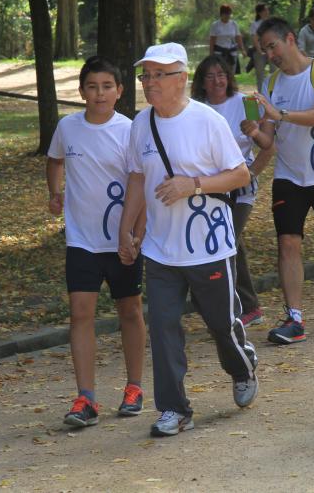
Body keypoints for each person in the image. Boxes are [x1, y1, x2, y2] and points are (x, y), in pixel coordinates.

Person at [118, 42, 258, 437]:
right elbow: (137, 178)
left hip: (209, 247)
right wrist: (126, 229)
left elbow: (240, 175)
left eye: (158, 75)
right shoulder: (140, 124)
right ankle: (175, 410)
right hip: (161, 250)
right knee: (162, 328)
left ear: (181, 78)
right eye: (145, 75)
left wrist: (192, 185)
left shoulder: (207, 121)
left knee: (221, 325)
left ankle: (242, 367)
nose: (149, 83)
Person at [46, 56, 147, 428]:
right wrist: (55, 193)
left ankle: (134, 387)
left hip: (122, 242)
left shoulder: (132, 130)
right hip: (82, 241)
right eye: (92, 86)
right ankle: (85, 397)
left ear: (120, 91)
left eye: (107, 86)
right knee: (80, 314)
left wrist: (136, 235)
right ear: (81, 91)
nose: (99, 93)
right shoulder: (68, 127)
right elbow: (54, 160)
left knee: (130, 311)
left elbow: (143, 185)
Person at [242, 17, 314, 344]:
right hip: (289, 176)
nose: (270, 54)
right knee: (287, 242)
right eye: (264, 50)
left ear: (290, 39)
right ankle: (295, 318)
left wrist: (279, 115)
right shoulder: (272, 85)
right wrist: (254, 132)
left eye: (272, 46)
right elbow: (269, 140)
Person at [191, 55, 273, 327]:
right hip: (209, 188)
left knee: (228, 240)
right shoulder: (195, 110)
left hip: (241, 189)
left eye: (222, 74)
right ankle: (238, 306)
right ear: (202, 82)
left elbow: (268, 145)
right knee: (228, 243)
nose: (218, 80)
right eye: (211, 76)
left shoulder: (244, 104)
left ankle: (243, 307)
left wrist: (251, 169)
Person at [209, 4, 244, 74]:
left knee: (231, 74)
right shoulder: (215, 25)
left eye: (229, 14)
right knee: (221, 72)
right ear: (221, 14)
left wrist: (242, 50)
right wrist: (211, 54)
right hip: (219, 53)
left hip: (232, 53)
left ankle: (231, 85)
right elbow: (212, 41)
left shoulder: (234, 24)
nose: (227, 16)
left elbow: (238, 37)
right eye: (226, 14)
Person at [249, 2, 271, 88]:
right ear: (260, 12)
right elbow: (255, 39)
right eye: (265, 10)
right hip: (259, 51)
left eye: (267, 10)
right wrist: (260, 51)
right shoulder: (255, 24)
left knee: (275, 72)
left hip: (271, 50)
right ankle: (261, 96)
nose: (267, 12)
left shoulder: (271, 23)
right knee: (260, 75)